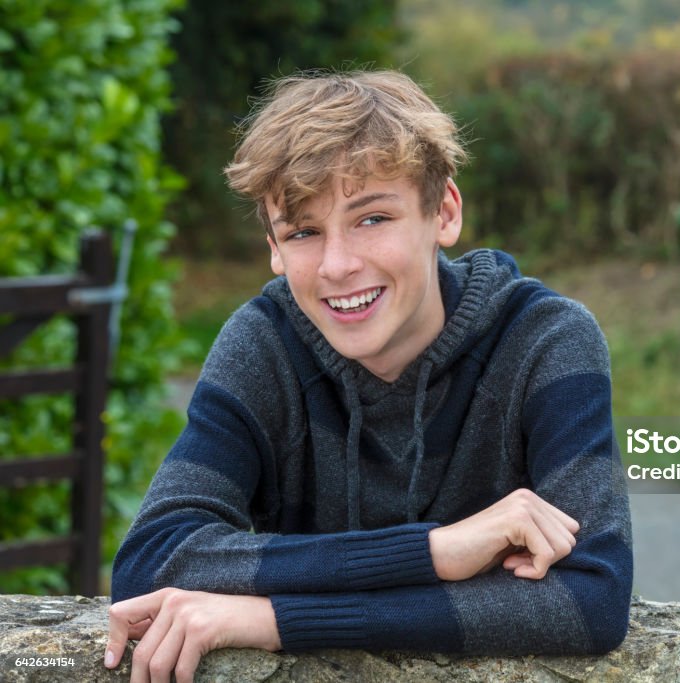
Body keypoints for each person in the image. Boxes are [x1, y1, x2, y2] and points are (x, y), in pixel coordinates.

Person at [105, 69, 632, 682]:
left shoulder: (547, 339)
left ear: (445, 213)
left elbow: (589, 599)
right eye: (303, 232)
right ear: (274, 249)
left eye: (372, 218)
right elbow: (151, 559)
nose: (337, 265)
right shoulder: (263, 343)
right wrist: (435, 552)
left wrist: (276, 619)